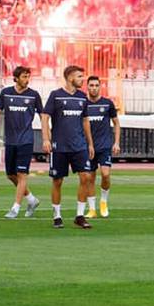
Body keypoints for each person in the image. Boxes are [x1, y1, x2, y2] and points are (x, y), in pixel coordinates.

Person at [41, 65, 95, 229]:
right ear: (70, 78)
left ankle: (79, 215)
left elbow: (85, 121)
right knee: (57, 181)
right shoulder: (56, 96)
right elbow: (45, 116)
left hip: (79, 145)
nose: (82, 79)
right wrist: (46, 139)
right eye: (79, 76)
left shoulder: (82, 97)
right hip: (60, 146)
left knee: (86, 177)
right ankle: (57, 216)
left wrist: (90, 143)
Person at [0, 66, 44, 219]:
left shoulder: (33, 95)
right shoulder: (6, 93)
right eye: (24, 77)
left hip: (26, 140)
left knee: (21, 174)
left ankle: (15, 208)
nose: (27, 80)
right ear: (16, 78)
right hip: (10, 140)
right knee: (11, 175)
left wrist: (47, 137)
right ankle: (32, 200)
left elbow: (43, 115)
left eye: (28, 77)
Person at [85, 75, 120, 218]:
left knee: (105, 175)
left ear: (100, 87)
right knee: (89, 178)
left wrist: (116, 142)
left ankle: (103, 201)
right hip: (88, 147)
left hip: (104, 146)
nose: (93, 88)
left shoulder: (107, 104)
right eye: (91, 85)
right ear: (87, 87)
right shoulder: (83, 104)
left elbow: (116, 123)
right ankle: (92, 209)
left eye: (96, 85)